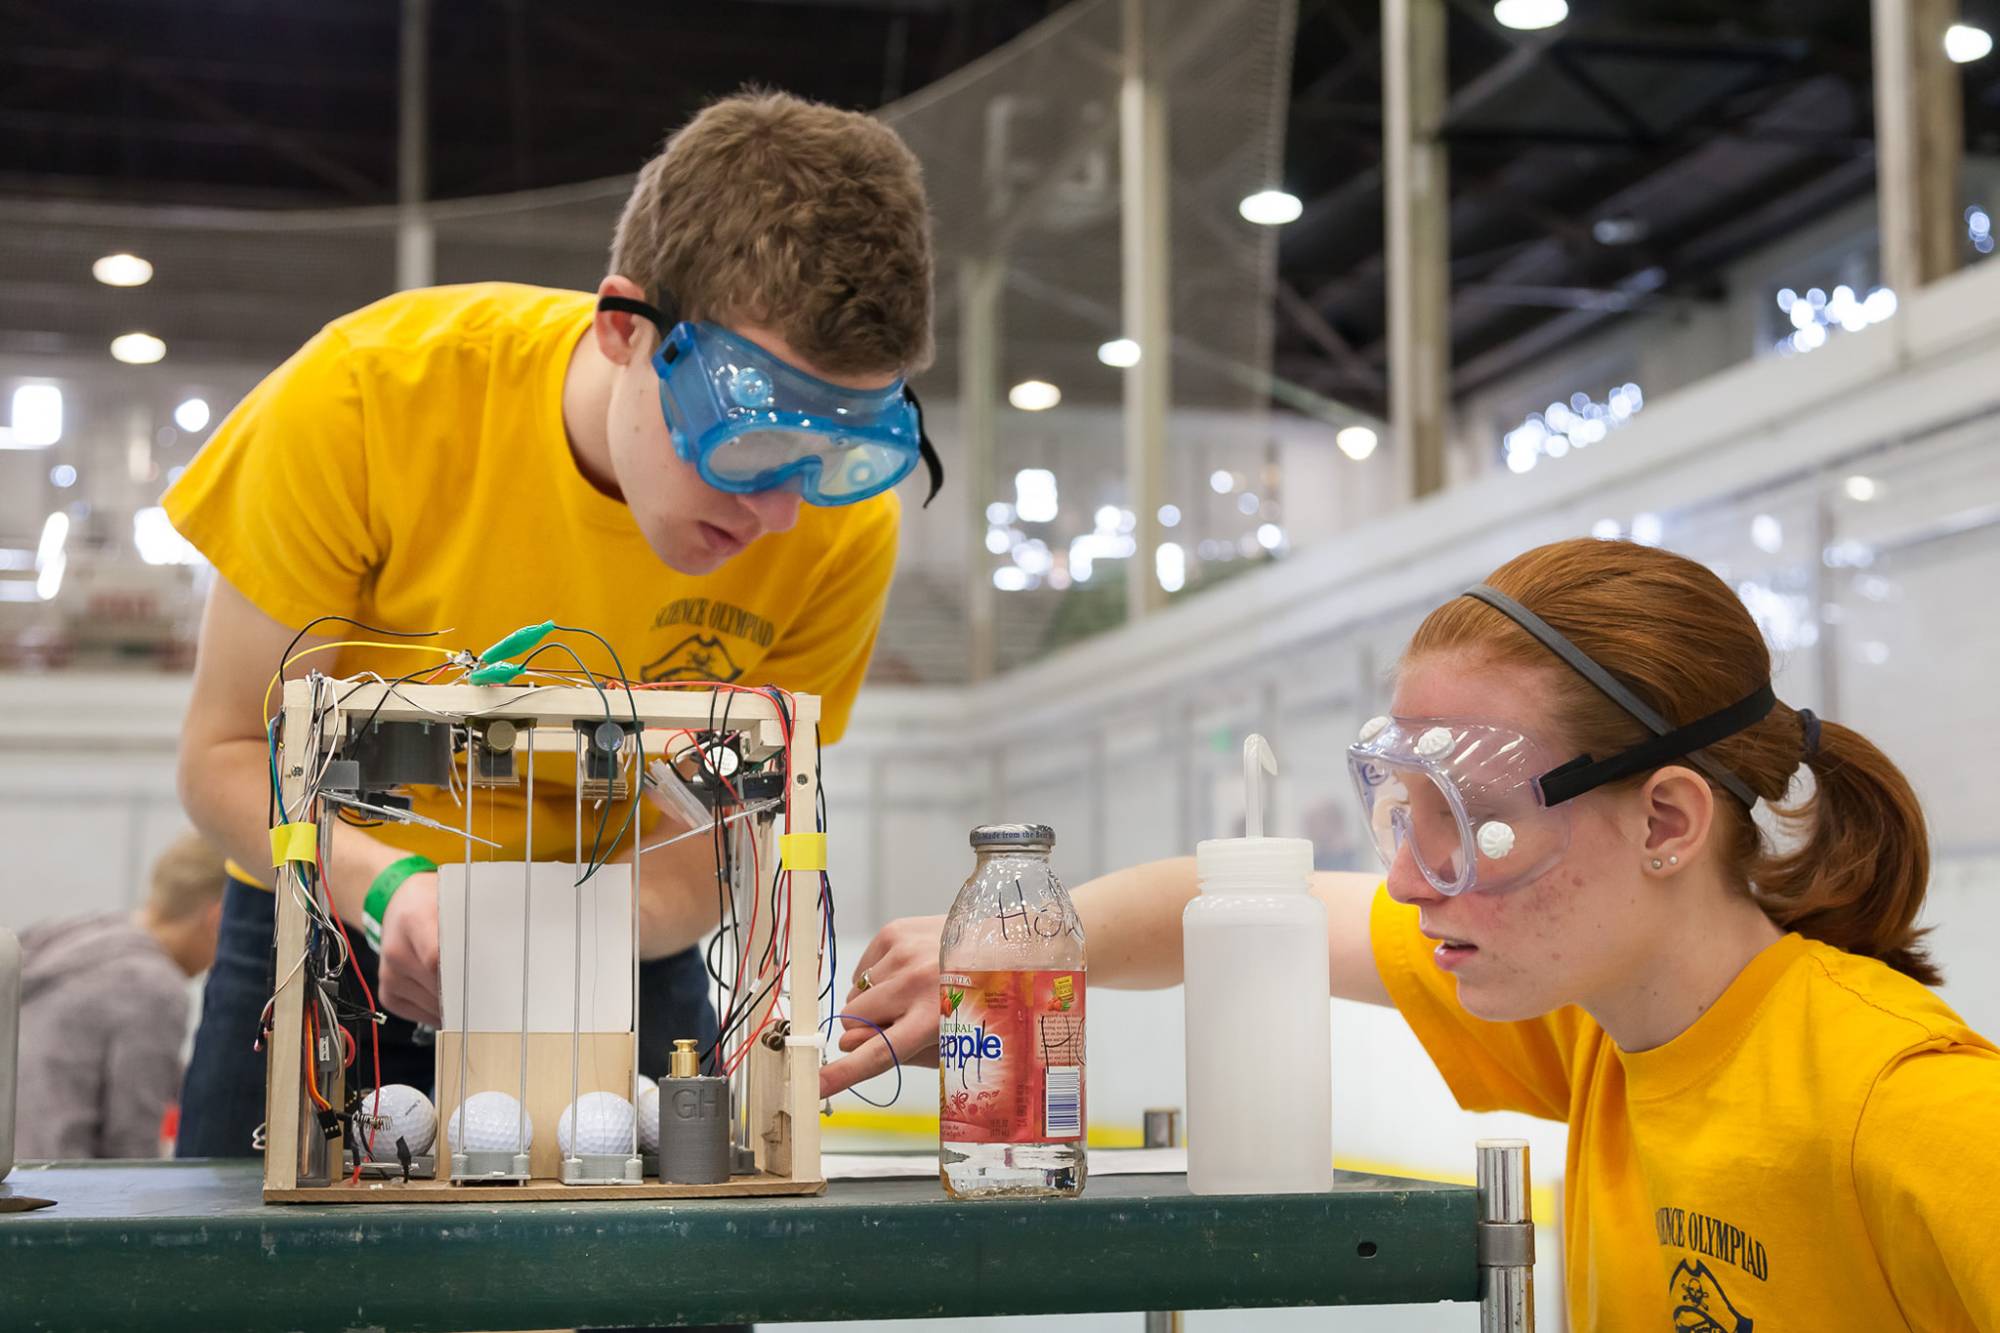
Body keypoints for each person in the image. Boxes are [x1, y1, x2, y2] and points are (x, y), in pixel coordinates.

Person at [828, 537, 2000, 1330]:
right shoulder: (1596, 1027)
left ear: (1664, 818)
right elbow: (1233, 899)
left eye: (1474, 823)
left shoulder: (1904, 1104)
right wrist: (1021, 945)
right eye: (1405, 812)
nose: (1408, 877)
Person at [166, 89, 937, 1165]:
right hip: (330, 914)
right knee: (244, 1284)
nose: (778, 515)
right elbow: (225, 757)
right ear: (625, 328)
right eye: (752, 446)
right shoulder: (369, 397)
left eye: (834, 460)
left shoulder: (838, 530)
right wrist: (390, 888)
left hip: (626, 938)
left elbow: (722, 832)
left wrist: (548, 938)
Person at [16, 831, 224, 1159]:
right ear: (219, 918)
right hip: (60, 1194)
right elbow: (131, 1144)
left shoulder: (67, 934)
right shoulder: (154, 988)